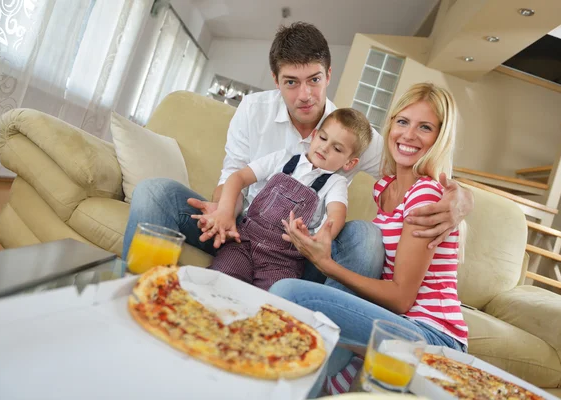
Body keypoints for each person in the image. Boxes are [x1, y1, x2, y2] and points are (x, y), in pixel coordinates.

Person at [122, 22, 474, 284]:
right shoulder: (253, 110)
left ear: (328, 75)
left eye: (314, 80)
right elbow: (234, 173)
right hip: (242, 234)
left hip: (299, 254)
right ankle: (137, 299)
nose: (305, 94)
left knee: (367, 238)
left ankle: (315, 324)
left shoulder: (351, 135)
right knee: (155, 193)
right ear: (276, 80)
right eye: (291, 82)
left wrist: (462, 199)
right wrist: (224, 210)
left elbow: (414, 153)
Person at [270, 83, 468, 397]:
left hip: (431, 337)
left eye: (425, 127)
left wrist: (326, 264)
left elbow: (402, 298)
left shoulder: (427, 194)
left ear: (439, 138)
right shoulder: (385, 188)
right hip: (392, 323)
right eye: (402, 122)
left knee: (288, 294)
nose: (408, 135)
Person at [198, 108, 372, 290]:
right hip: (243, 243)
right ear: (314, 135)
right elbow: (237, 178)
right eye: (323, 138)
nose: (325, 148)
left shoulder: (336, 183)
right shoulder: (282, 158)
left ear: (349, 163)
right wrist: (225, 212)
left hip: (282, 261)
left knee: (273, 300)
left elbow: (337, 213)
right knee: (220, 279)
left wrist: (319, 240)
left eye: (337, 148)